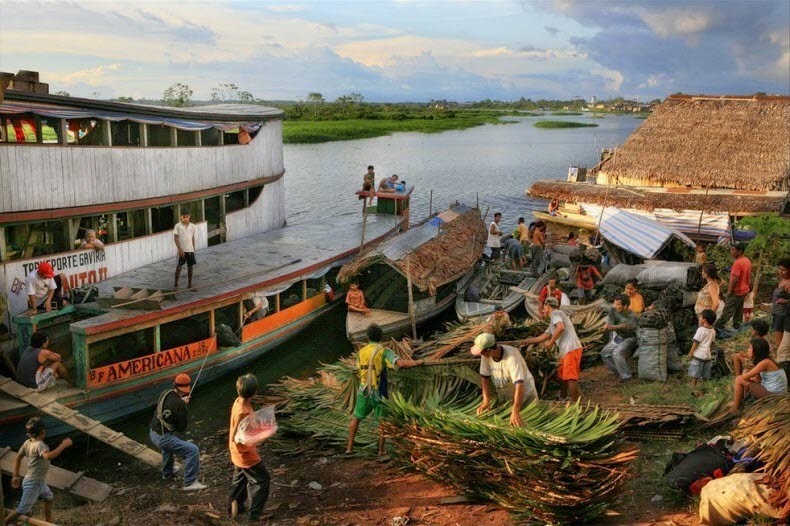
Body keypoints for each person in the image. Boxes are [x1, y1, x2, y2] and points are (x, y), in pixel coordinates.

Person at [345, 324, 424, 455]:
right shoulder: (384, 351)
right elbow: (401, 364)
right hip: (378, 391)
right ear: (381, 337)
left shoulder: (360, 353)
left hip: (363, 390)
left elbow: (359, 369)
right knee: (383, 421)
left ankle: (349, 448)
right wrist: (418, 362)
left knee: (356, 418)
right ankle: (381, 450)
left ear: (368, 337)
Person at [4, 418, 72, 526]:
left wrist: (15, 476)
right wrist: (63, 445)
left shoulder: (27, 442)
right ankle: (4, 523)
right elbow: (49, 456)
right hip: (33, 483)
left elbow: (18, 458)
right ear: (43, 432)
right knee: (22, 509)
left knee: (49, 496)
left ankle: (48, 520)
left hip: (36, 481)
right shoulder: (40, 445)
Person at [149, 374, 206, 491]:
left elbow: (171, 404)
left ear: (175, 385)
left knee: (168, 447)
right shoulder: (180, 405)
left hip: (152, 433)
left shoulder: (166, 393)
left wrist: (180, 402)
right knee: (192, 450)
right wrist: (183, 406)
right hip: (163, 439)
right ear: (187, 388)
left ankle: (167, 473)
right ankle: (190, 482)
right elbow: (181, 428)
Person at [228, 374, 271, 523]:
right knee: (261, 480)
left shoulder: (239, 401)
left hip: (236, 452)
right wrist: (261, 435)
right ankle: (254, 516)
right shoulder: (243, 411)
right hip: (244, 453)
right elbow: (236, 435)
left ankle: (234, 507)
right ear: (254, 392)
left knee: (240, 479)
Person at [523, 297, 583, 401]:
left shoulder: (556, 314)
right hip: (567, 351)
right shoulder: (553, 321)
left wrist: (551, 342)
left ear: (548, 306)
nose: (543, 310)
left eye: (544, 307)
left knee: (570, 377)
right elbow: (543, 337)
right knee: (563, 374)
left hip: (571, 349)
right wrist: (526, 341)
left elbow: (560, 328)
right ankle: (563, 397)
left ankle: (576, 405)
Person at [472, 332, 538, 426]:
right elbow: (484, 378)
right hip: (508, 396)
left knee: (532, 424)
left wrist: (515, 410)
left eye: (482, 352)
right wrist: (486, 400)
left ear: (490, 350)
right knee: (513, 426)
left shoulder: (511, 356)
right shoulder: (486, 356)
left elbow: (520, 385)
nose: (481, 354)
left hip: (525, 395)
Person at [731, 338, 787, 412]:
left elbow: (744, 376)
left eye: (750, 348)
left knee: (739, 379)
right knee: (751, 378)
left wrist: (745, 372)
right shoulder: (768, 360)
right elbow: (758, 379)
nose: (748, 350)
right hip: (778, 394)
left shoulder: (765, 363)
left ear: (756, 351)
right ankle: (738, 402)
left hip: (774, 396)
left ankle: (736, 408)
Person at [715, 243, 752, 331]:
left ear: (740, 251)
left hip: (736, 291)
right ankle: (737, 327)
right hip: (744, 290)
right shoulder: (747, 260)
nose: (731, 252)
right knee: (739, 311)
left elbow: (735, 279)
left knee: (727, 311)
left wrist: (730, 291)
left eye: (733, 250)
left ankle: (717, 328)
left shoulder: (738, 263)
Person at [601, 294, 638, 381]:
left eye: (618, 304)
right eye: (614, 303)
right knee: (605, 353)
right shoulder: (613, 310)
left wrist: (610, 327)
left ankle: (626, 376)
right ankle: (618, 370)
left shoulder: (632, 316)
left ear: (625, 306)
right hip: (619, 337)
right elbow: (610, 321)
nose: (615, 306)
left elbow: (624, 326)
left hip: (630, 338)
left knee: (616, 353)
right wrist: (606, 326)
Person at [687, 309, 717, 392]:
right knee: (705, 374)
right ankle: (704, 388)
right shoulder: (713, 331)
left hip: (698, 356)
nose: (700, 318)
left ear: (704, 320)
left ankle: (693, 388)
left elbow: (696, 342)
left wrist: (691, 352)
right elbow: (712, 343)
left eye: (701, 317)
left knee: (695, 374)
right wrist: (709, 351)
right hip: (707, 356)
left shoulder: (700, 330)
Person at [173, 212, 197, 289]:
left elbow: (192, 238)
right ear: (181, 217)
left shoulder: (192, 226)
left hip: (190, 250)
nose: (185, 219)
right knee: (179, 266)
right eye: (184, 217)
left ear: (189, 217)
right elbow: (176, 238)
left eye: (187, 217)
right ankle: (176, 284)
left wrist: (193, 249)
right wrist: (180, 250)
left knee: (190, 267)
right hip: (182, 250)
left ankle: (189, 285)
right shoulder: (178, 226)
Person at [770, 258, 790, 348]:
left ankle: (781, 360)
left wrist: (786, 301)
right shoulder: (783, 280)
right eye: (779, 269)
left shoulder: (788, 284)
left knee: (780, 343)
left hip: (782, 315)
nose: (781, 272)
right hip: (777, 313)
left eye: (784, 270)